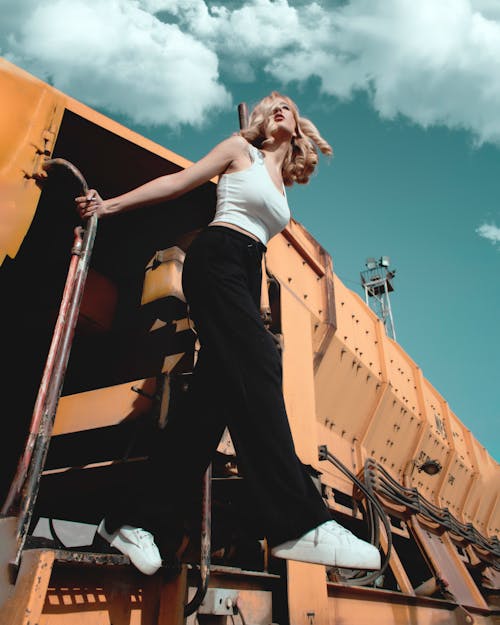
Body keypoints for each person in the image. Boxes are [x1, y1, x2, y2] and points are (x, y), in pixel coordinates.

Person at [75, 92, 381, 576]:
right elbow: (179, 182)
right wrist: (108, 207)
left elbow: (261, 236)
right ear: (262, 120)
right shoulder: (242, 151)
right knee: (261, 361)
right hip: (217, 257)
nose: (279, 107)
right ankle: (298, 522)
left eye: (289, 107)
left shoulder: (281, 184)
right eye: (271, 105)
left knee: (208, 410)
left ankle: (132, 522)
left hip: (245, 268)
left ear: (298, 128)